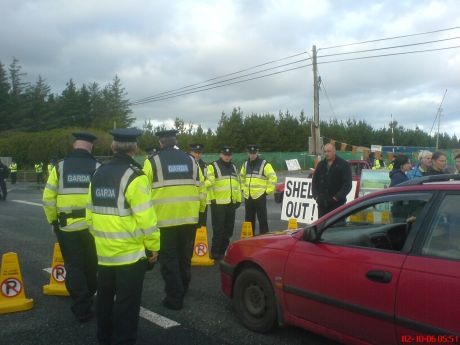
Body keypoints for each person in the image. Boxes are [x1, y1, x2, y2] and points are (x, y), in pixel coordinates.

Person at [86, 128, 160, 345]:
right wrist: (153, 247)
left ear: (112, 147)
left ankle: (104, 337)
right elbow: (147, 219)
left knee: (105, 300)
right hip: (130, 255)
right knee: (127, 305)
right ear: (135, 148)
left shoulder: (97, 174)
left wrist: (101, 239)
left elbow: (89, 215)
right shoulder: (135, 177)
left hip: (103, 252)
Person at [143, 130, 206, 311]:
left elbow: (143, 192)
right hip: (189, 219)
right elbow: (202, 190)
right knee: (184, 257)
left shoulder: (151, 162)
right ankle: (183, 288)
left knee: (169, 260)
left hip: (165, 221)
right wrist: (201, 213)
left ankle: (174, 298)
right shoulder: (191, 161)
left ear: (161, 143)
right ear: (175, 141)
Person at [42, 132, 100, 322]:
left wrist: (53, 221)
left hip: (66, 227)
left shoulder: (60, 167)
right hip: (92, 228)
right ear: (90, 146)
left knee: (74, 266)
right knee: (92, 264)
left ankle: (81, 306)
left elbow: (48, 199)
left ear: (74, 145)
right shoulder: (97, 167)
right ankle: (89, 294)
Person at [206, 146, 242, 260]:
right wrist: (212, 199)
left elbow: (237, 185)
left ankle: (224, 250)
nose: (227, 157)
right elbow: (209, 184)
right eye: (225, 155)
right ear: (221, 154)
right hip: (218, 203)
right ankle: (215, 251)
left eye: (229, 155)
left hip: (231, 202)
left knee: (229, 228)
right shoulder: (213, 166)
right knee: (218, 229)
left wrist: (239, 199)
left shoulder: (234, 167)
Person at [240, 144, 277, 234]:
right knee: (248, 220)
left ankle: (264, 240)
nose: (252, 155)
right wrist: (243, 189)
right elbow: (241, 177)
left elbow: (273, 177)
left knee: (262, 220)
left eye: (254, 153)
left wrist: (267, 191)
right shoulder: (245, 164)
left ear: (257, 152)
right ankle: (249, 239)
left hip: (260, 196)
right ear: (248, 153)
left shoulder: (265, 164)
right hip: (248, 196)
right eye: (250, 153)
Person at [312, 143, 352, 218]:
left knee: (337, 228)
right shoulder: (320, 165)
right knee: (322, 228)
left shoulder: (343, 165)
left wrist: (336, 198)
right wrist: (316, 197)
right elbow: (314, 182)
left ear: (334, 151)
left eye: (329, 151)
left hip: (338, 205)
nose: (326, 153)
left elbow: (347, 185)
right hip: (322, 205)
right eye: (325, 151)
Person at [189, 143, 208, 228]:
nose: (197, 155)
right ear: (191, 152)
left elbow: (207, 180)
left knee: (202, 225)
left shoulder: (204, 165)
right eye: (195, 152)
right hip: (190, 199)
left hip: (202, 200)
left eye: (199, 153)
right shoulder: (187, 164)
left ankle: (201, 241)